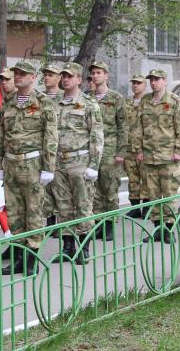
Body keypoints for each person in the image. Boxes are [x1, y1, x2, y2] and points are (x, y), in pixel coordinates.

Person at [0, 61, 58, 275]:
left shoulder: (43, 102)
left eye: (23, 74)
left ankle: (31, 259)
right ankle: (18, 256)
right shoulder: (8, 102)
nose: (18, 77)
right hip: (11, 164)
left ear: (33, 77)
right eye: (16, 74)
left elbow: (50, 136)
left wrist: (49, 167)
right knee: (14, 213)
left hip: (33, 164)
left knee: (33, 213)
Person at [51, 62, 103, 264]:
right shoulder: (54, 103)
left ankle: (84, 247)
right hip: (59, 161)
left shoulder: (89, 104)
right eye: (63, 76)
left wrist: (93, 165)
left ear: (79, 80)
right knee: (63, 207)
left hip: (80, 161)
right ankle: (68, 247)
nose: (65, 79)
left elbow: (97, 135)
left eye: (70, 76)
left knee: (83, 205)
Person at [134, 69, 180, 243]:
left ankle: (169, 230)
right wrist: (138, 150)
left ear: (165, 81)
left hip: (168, 157)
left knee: (169, 195)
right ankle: (158, 229)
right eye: (151, 80)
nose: (153, 83)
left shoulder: (174, 100)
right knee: (153, 196)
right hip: (149, 157)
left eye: (157, 79)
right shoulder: (145, 101)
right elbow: (137, 127)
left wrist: (179, 151)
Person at [88, 62, 127, 241]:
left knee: (110, 188)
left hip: (110, 149)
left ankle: (110, 224)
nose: (95, 76)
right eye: (93, 73)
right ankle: (98, 223)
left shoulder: (116, 98)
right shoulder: (87, 97)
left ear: (106, 75)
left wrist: (121, 151)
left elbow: (123, 126)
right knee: (94, 189)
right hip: (91, 150)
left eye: (98, 73)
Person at [124, 74, 149, 217]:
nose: (135, 85)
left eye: (139, 83)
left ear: (144, 85)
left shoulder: (148, 102)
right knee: (132, 178)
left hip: (144, 147)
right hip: (129, 147)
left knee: (146, 178)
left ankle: (146, 208)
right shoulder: (127, 102)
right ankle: (135, 208)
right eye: (133, 83)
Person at [41, 63, 62, 225]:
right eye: (45, 75)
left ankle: (63, 222)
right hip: (43, 150)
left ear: (59, 78)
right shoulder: (39, 98)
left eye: (51, 75)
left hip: (61, 151)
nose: (47, 77)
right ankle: (49, 222)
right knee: (46, 189)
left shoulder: (65, 97)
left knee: (60, 188)